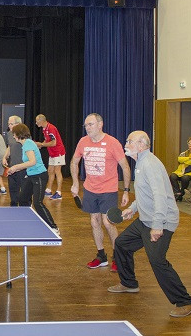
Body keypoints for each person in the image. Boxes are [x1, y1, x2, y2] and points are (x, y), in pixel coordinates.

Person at [108, 130, 191, 318]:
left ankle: (185, 301)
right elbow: (144, 193)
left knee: (157, 261)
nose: (126, 144)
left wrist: (157, 226)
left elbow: (160, 196)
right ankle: (129, 283)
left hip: (161, 221)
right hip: (145, 219)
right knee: (122, 244)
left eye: (129, 141)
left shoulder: (150, 164)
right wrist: (132, 208)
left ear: (141, 145)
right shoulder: (140, 162)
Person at [70, 113, 131, 272]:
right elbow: (74, 162)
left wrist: (125, 191)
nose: (87, 128)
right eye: (86, 125)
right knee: (94, 221)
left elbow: (125, 167)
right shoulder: (83, 142)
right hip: (90, 189)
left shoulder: (112, 143)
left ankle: (117, 257)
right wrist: (76, 183)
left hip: (109, 190)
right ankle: (101, 256)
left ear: (100, 124)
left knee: (107, 222)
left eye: (90, 124)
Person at [9, 123, 59, 235]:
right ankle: (27, 220)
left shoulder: (28, 144)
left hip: (40, 175)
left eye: (14, 134)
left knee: (38, 203)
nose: (13, 136)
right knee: (22, 198)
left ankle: (53, 227)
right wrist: (16, 169)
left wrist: (16, 167)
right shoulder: (25, 144)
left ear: (18, 134)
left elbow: (32, 162)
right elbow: (29, 163)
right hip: (31, 175)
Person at [35, 114, 66, 200]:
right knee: (50, 171)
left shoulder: (51, 128)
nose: (36, 123)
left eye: (37, 121)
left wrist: (41, 144)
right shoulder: (44, 129)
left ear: (41, 121)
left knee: (57, 171)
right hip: (52, 153)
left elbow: (54, 143)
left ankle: (59, 192)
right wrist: (41, 145)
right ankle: (48, 190)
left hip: (58, 152)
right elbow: (47, 140)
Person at [168, 137, 191, 201]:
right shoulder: (184, 153)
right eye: (189, 143)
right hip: (182, 171)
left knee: (185, 178)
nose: (189, 144)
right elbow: (179, 159)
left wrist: (185, 160)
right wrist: (189, 159)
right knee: (172, 176)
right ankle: (177, 192)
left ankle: (181, 193)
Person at [3, 116, 26, 206]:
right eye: (8, 124)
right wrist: (4, 157)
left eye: (11, 124)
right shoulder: (9, 134)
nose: (9, 126)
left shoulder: (25, 135)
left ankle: (26, 209)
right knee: (13, 190)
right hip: (12, 167)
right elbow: (9, 146)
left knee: (24, 192)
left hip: (23, 168)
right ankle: (13, 207)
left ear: (18, 124)